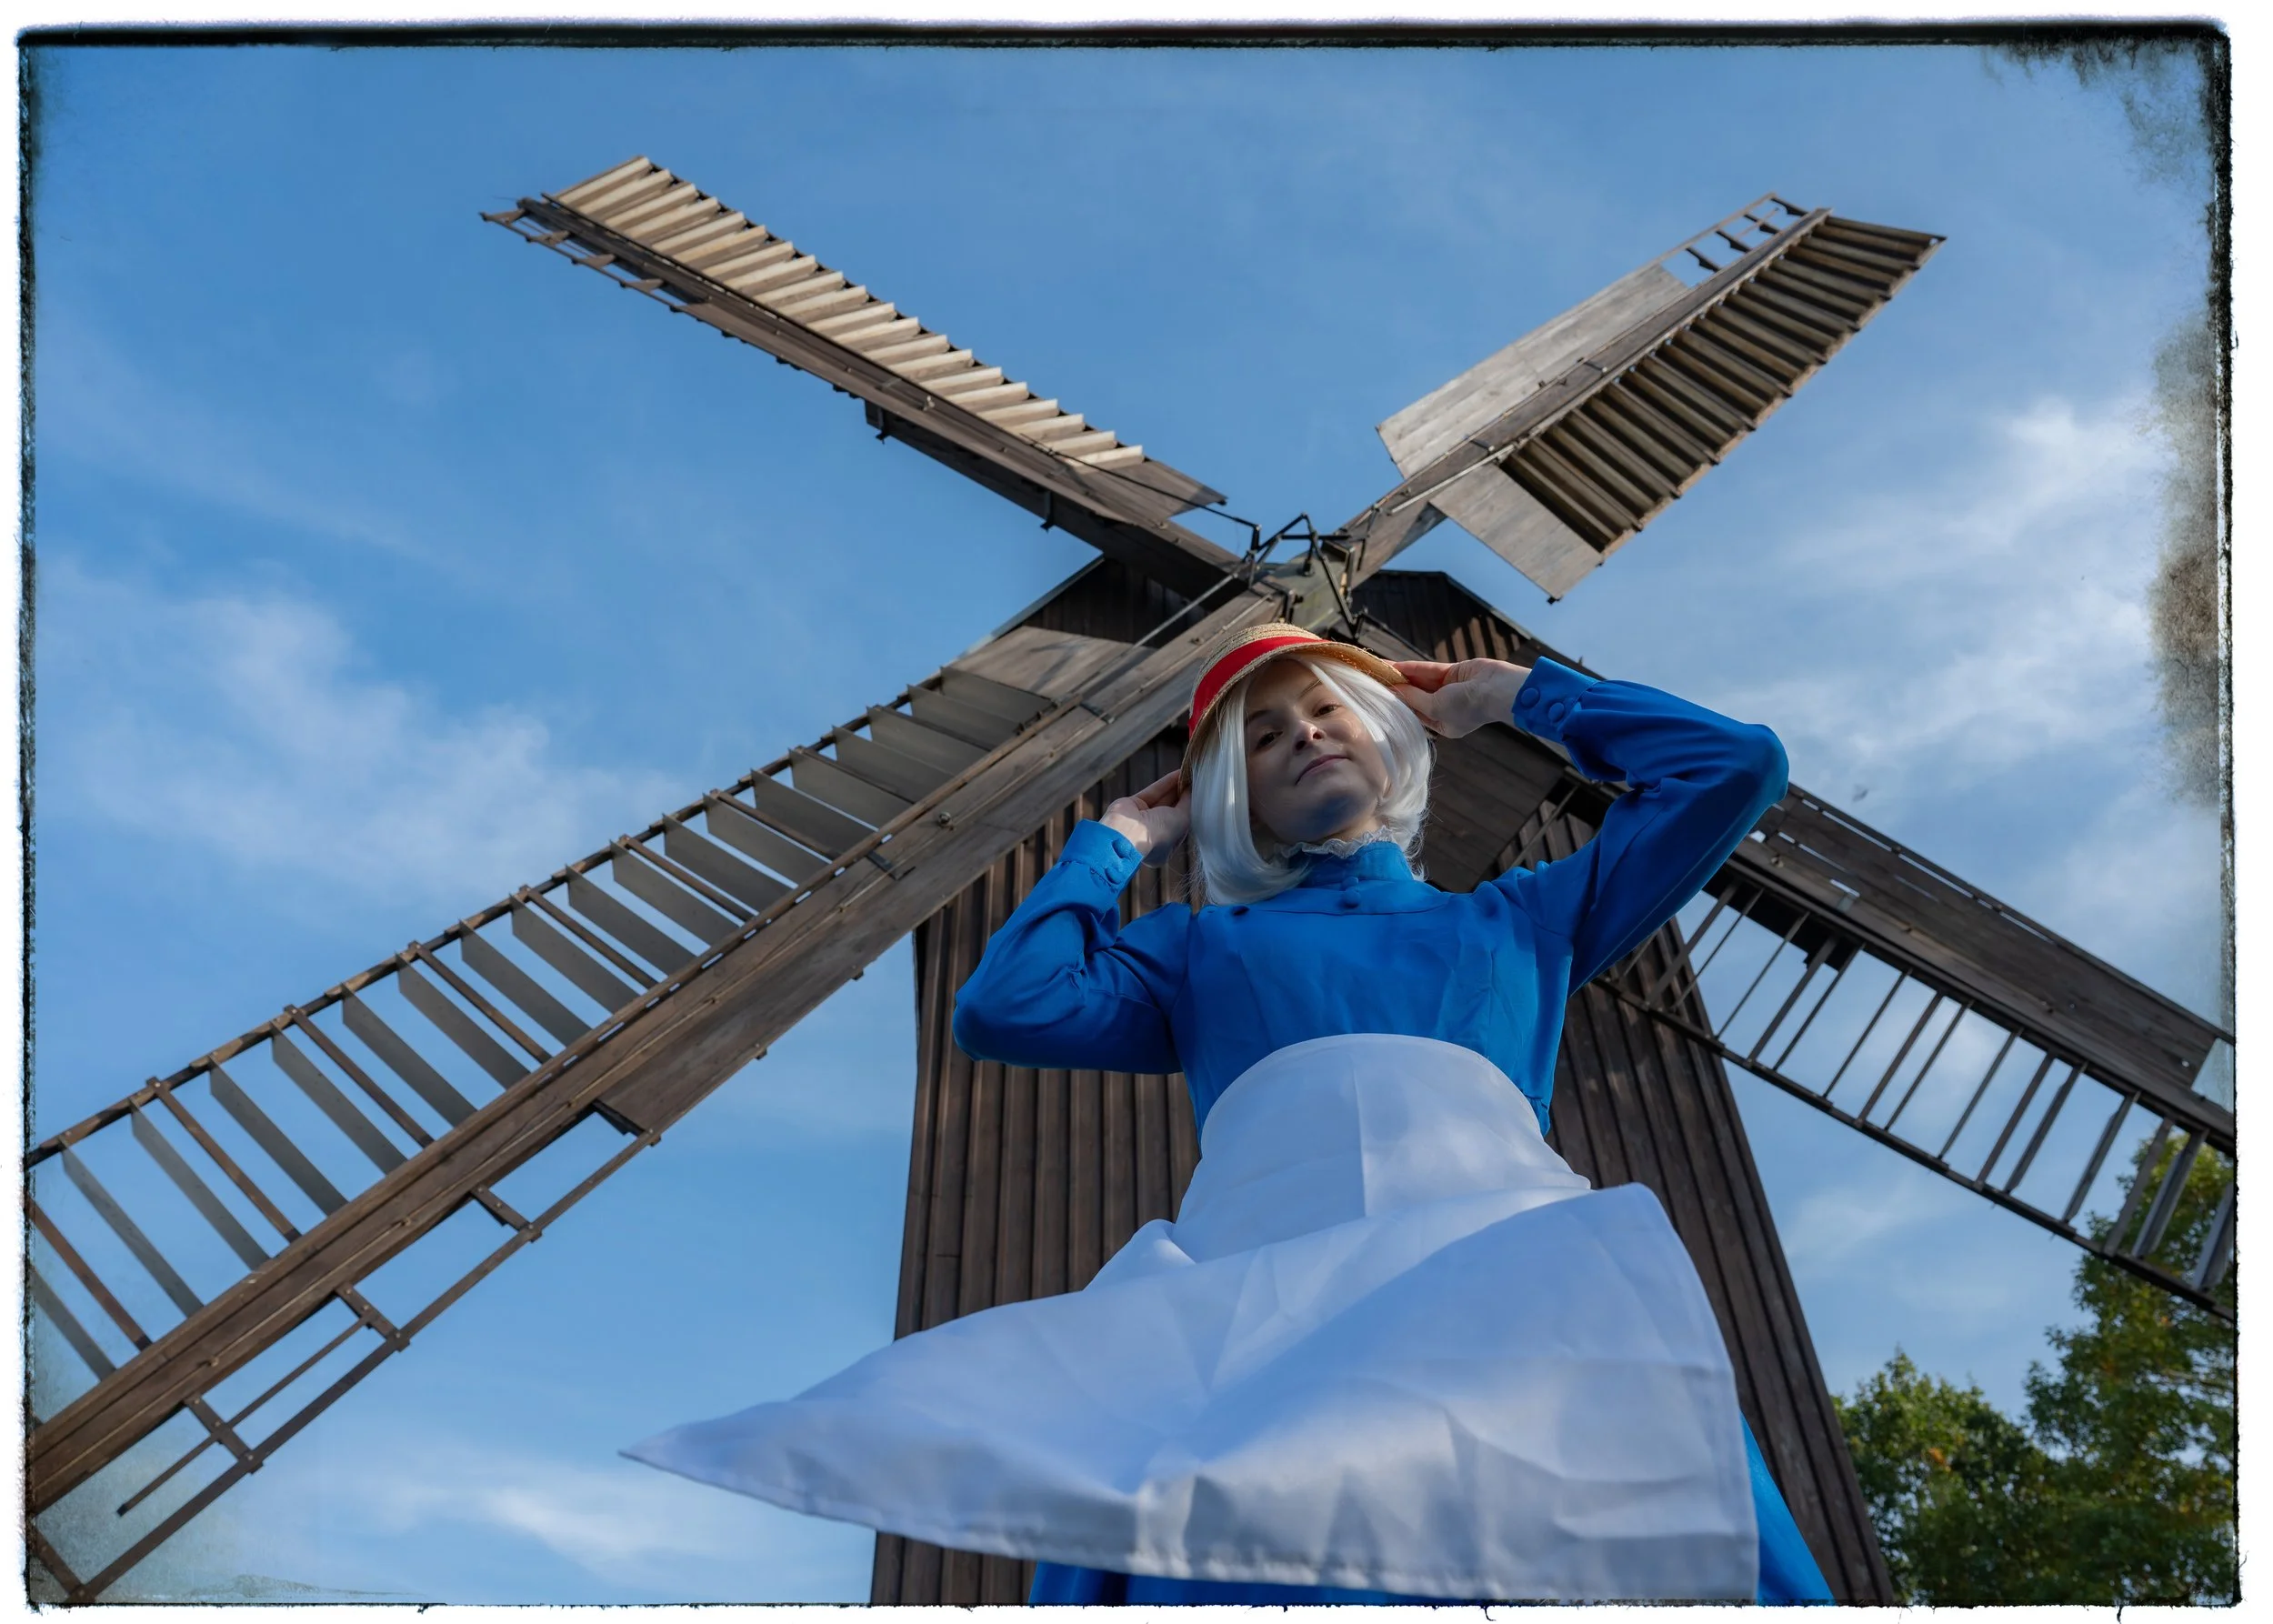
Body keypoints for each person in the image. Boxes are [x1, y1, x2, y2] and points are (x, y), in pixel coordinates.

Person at [625, 622, 1833, 1605]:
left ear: (1394, 739)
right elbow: (1009, 1005)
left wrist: (1521, 695)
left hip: (1504, 1272)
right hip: (1276, 1288)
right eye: (1260, 736)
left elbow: (1734, 768)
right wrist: (1118, 838)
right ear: (1230, 800)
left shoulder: (1522, 919)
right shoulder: (1200, 946)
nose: (1303, 731)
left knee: (1644, 1510)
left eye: (1326, 710)